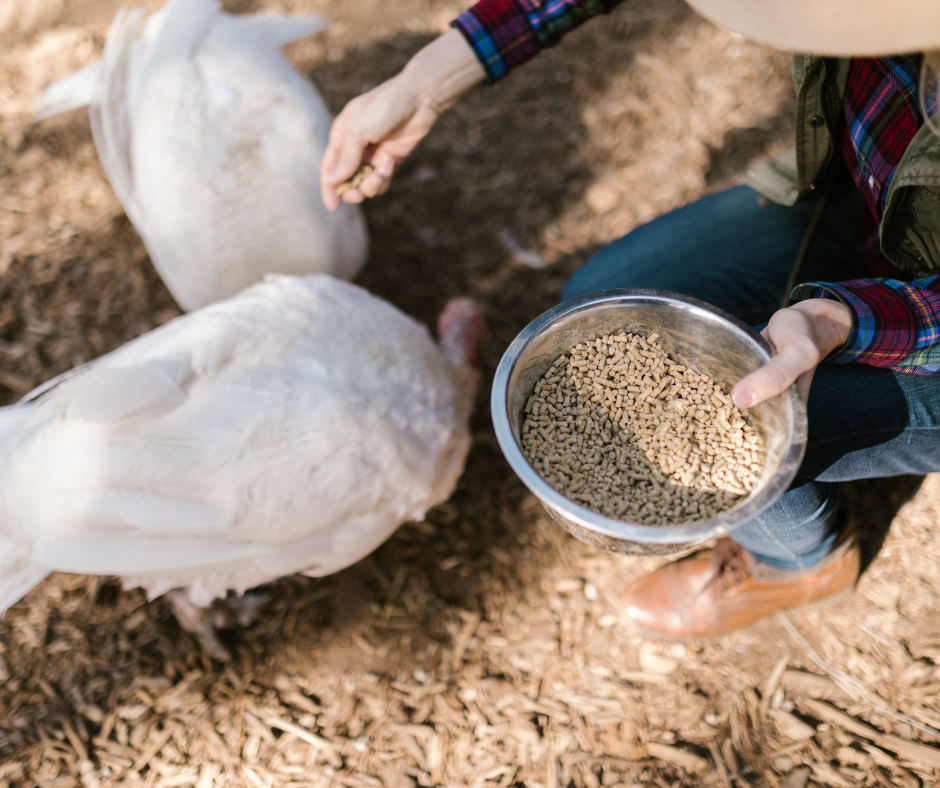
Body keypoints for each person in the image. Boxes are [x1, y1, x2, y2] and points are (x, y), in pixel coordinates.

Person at [320, 0, 940, 639]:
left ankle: (799, 563)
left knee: (772, 423)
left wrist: (844, 320)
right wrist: (427, 81)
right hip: (867, 198)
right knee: (607, 296)